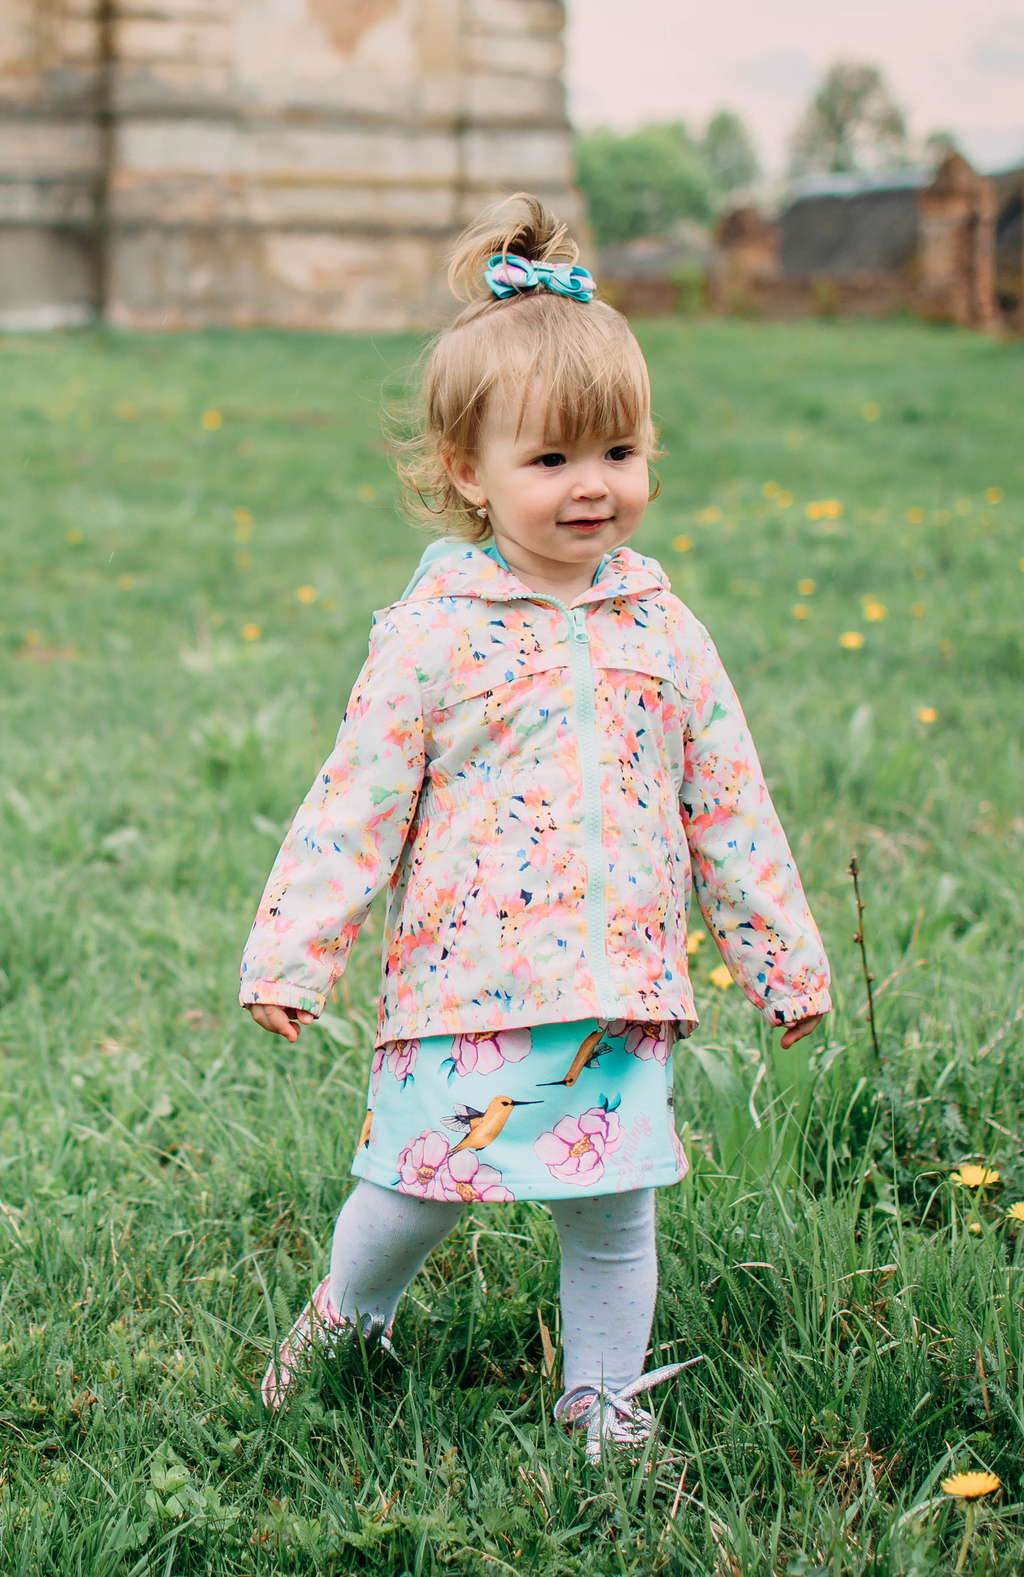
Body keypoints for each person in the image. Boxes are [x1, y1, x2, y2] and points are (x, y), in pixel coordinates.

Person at [237, 194, 832, 1455]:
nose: (590, 486)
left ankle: (603, 1404)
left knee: (614, 1212)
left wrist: (781, 961)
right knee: (414, 1189)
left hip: (618, 984)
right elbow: (355, 803)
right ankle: (344, 1325)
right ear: (470, 473)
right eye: (549, 460)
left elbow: (729, 804)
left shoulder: (663, 630)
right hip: (466, 984)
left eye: (617, 452)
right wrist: (293, 952)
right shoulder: (434, 635)